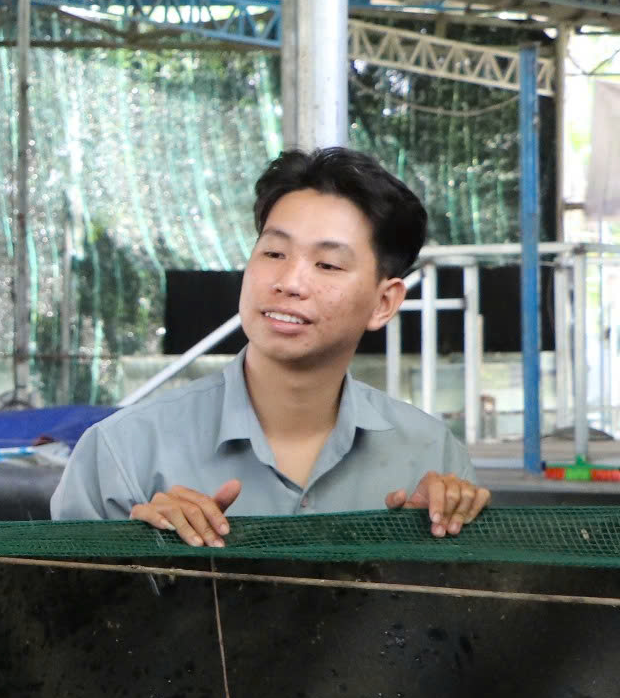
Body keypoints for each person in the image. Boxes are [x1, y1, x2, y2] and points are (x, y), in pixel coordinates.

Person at [52, 147, 490, 545]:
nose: (289, 282)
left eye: (328, 264)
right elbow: (63, 621)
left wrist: (433, 545)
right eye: (274, 253)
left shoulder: (432, 457)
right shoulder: (120, 453)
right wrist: (142, 556)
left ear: (383, 302)